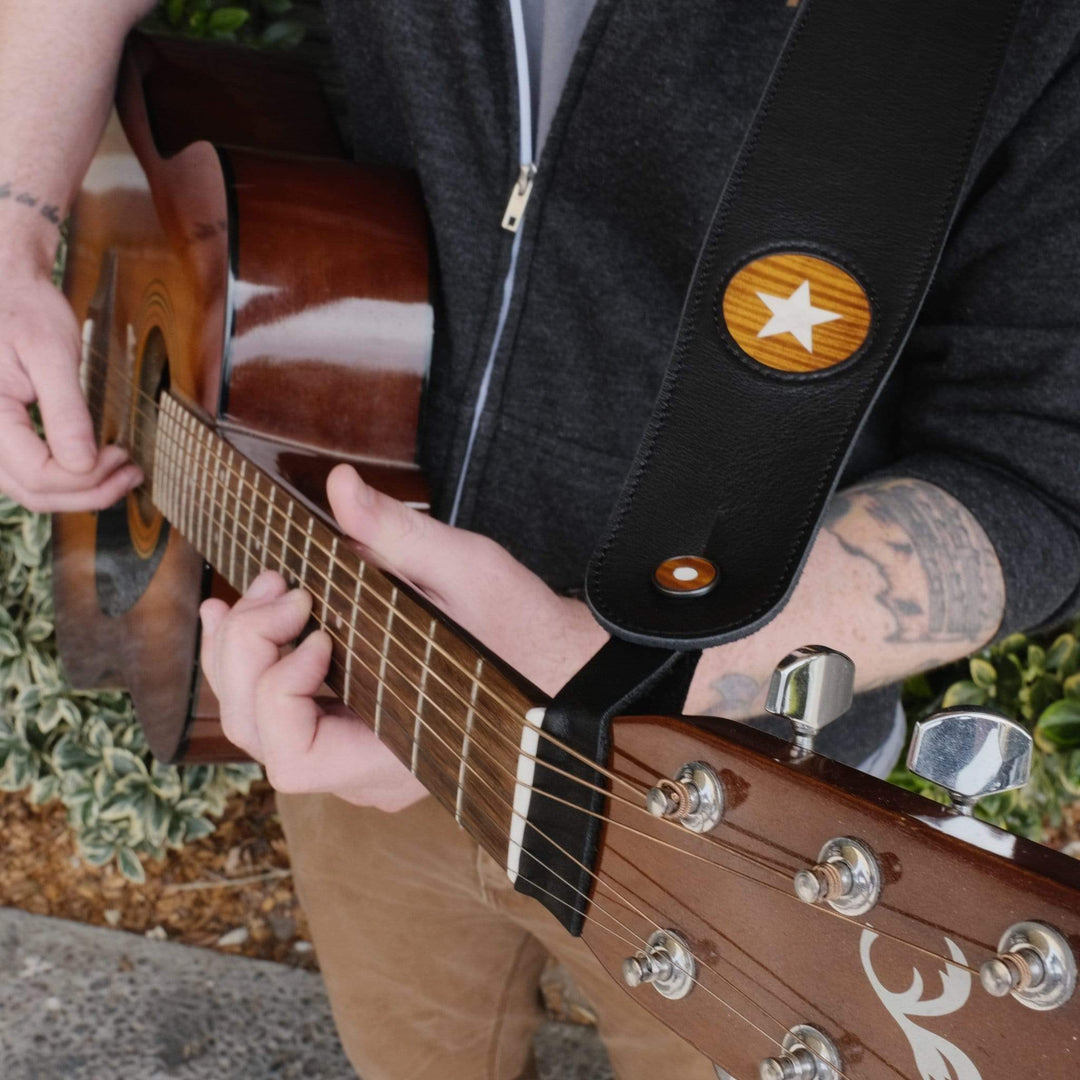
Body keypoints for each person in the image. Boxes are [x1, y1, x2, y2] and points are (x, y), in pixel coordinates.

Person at [3, 1, 1079, 1076]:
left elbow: (1039, 466)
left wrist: (635, 673)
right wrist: (14, 227)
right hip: (354, 718)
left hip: (733, 818)